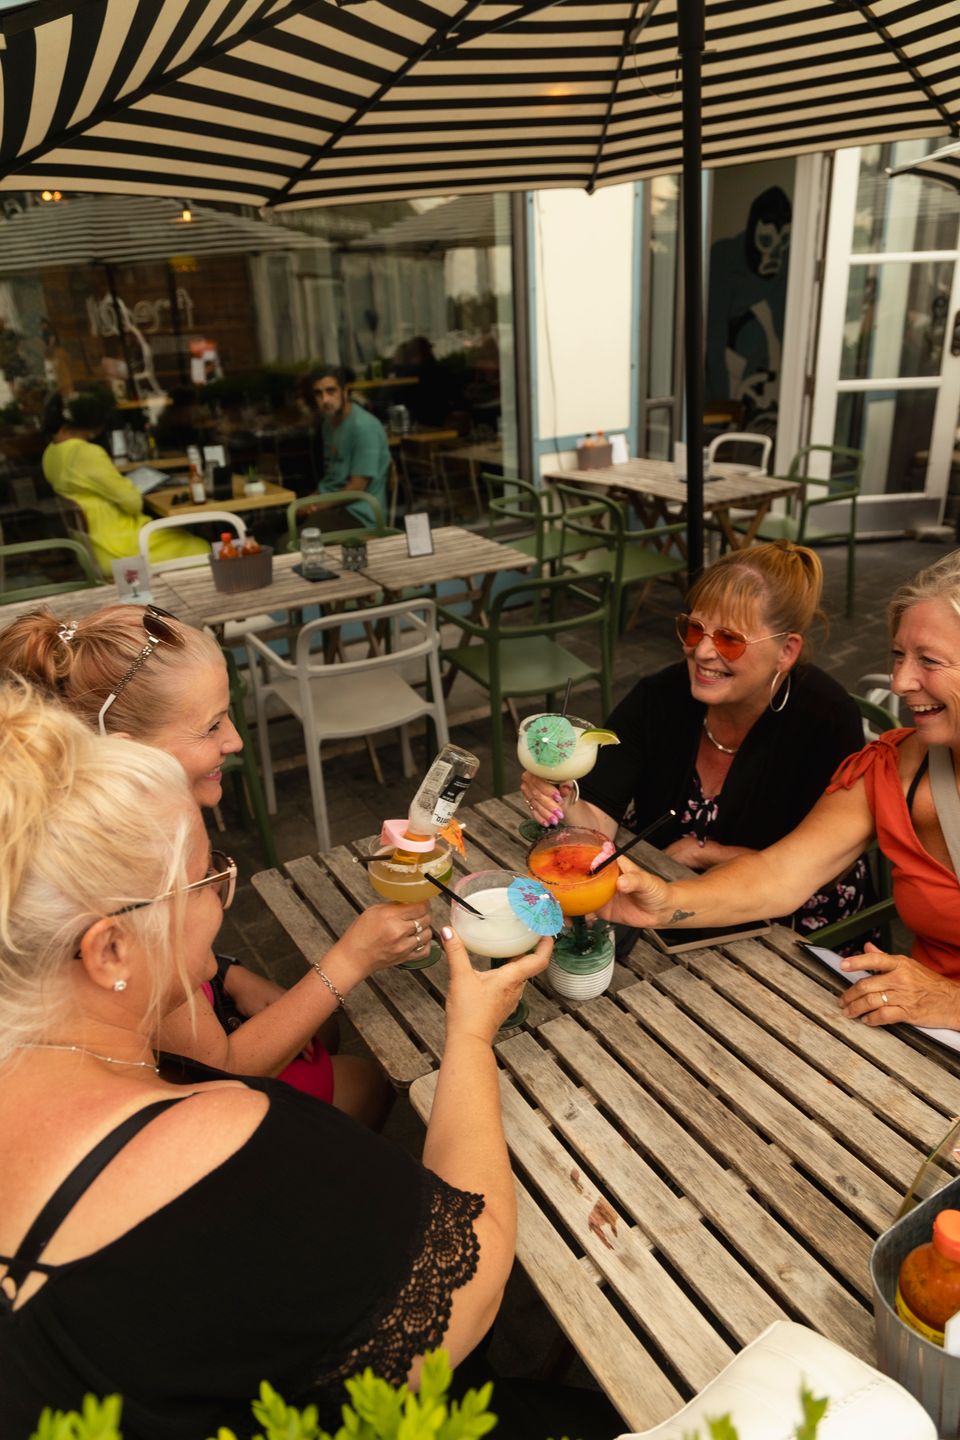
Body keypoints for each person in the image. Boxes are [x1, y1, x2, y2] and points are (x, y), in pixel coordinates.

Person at [0, 677, 552, 1437]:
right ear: (111, 949)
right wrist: (469, 1035)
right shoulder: (221, 1146)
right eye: (205, 880)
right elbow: (474, 1284)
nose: (223, 897)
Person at [0, 603, 423, 1127]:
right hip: (199, 1097)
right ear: (128, 753)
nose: (235, 741)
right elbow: (219, 1066)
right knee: (364, 1076)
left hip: (193, 1023)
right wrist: (353, 958)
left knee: (327, 1031)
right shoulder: (124, 876)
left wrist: (227, 974)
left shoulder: (99, 828)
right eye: (211, 726)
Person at [598, 549, 960, 1032]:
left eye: (928, 661)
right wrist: (665, 900)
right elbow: (780, 875)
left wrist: (951, 1001)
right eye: (898, 655)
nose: (898, 682)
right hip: (922, 1028)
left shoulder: (821, 715)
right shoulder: (894, 766)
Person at [522, 540, 872, 937]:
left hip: (792, 926)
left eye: (729, 640)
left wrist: (709, 853)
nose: (702, 651)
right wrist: (565, 799)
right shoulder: (660, 696)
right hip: (662, 900)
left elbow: (828, 863)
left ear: (786, 651)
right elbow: (600, 819)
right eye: (694, 629)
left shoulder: (825, 718)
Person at [41, 390, 209, 578]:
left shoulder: (51, 453)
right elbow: (132, 502)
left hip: (95, 546)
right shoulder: (85, 453)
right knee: (199, 546)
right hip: (119, 545)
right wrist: (129, 487)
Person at [306, 364, 391, 527]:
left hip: (360, 513)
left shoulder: (365, 427)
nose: (325, 399)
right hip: (333, 506)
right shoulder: (328, 424)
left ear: (345, 391)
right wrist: (307, 503)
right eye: (318, 393)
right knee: (267, 527)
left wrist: (315, 505)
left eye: (331, 391)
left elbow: (357, 487)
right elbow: (331, 479)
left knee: (289, 541)